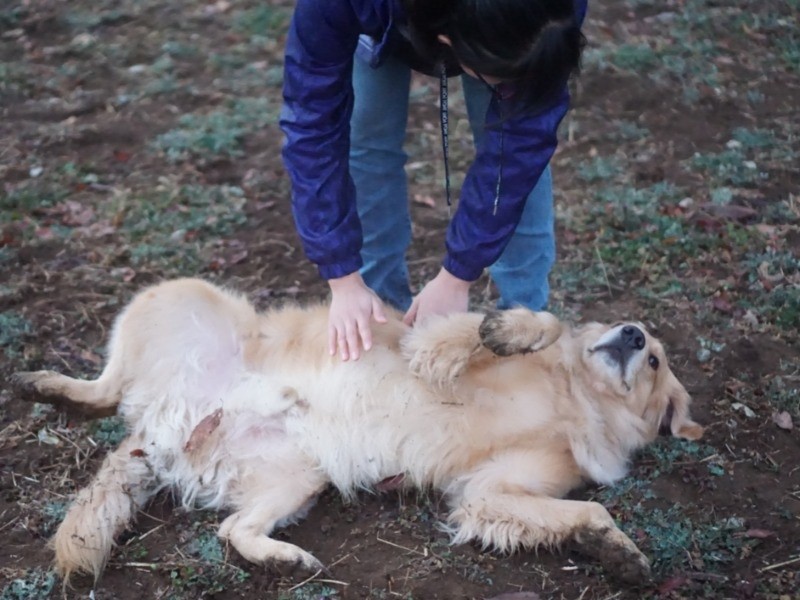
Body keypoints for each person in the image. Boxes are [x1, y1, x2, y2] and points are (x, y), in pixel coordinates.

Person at [280, 0, 588, 361]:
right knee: (366, 137)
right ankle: (380, 319)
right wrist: (343, 278)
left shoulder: (553, 13)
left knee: (519, 144)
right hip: (385, 11)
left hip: (498, 24)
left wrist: (456, 277)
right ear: (446, 41)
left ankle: (527, 326)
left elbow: (521, 148)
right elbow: (313, 128)